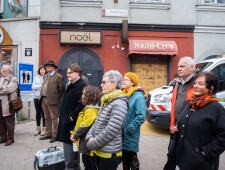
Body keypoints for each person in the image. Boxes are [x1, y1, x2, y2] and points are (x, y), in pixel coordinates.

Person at [174, 72, 225, 170]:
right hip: (184, 160)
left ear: (211, 88)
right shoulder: (190, 103)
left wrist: (206, 152)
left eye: (200, 84)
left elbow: (223, 136)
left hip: (203, 163)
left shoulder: (216, 108)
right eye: (195, 83)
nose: (195, 86)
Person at [86, 70, 128, 170]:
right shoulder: (107, 99)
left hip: (109, 154)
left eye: (104, 82)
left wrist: (92, 143)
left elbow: (111, 130)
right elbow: (97, 122)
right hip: (100, 150)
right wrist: (89, 135)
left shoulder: (119, 103)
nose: (101, 85)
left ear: (114, 84)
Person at [164, 56, 195, 170]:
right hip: (175, 127)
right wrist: (172, 124)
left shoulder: (198, 83)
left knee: (186, 159)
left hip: (189, 130)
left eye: (182, 66)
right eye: (178, 66)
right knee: (171, 156)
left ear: (192, 68)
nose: (179, 69)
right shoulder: (178, 83)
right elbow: (174, 106)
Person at [56, 62, 87, 170]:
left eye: (70, 72)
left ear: (77, 73)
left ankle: (71, 168)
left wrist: (71, 117)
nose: (67, 74)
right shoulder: (71, 84)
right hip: (67, 121)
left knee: (69, 153)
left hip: (72, 123)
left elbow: (81, 104)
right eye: (67, 72)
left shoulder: (82, 85)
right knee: (73, 150)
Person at [70, 85, 101, 170]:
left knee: (89, 165)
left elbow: (84, 126)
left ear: (90, 97)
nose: (82, 96)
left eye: (84, 94)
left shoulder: (90, 111)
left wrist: (75, 135)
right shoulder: (89, 109)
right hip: (86, 144)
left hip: (88, 145)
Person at [121, 72, 146, 170]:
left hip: (130, 134)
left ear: (132, 82)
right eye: (123, 79)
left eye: (126, 79)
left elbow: (141, 116)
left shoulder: (138, 96)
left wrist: (129, 129)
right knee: (125, 159)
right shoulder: (124, 94)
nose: (123, 81)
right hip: (122, 134)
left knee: (132, 158)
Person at [39, 60, 65, 143]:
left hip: (52, 100)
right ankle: (48, 133)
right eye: (46, 66)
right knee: (46, 117)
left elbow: (62, 89)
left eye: (49, 66)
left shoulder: (58, 76)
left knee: (54, 118)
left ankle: (55, 135)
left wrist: (57, 99)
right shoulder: (45, 76)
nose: (46, 67)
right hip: (44, 99)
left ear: (53, 68)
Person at [0, 65, 18, 146]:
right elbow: (3, 89)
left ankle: (10, 138)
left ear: (9, 71)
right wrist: (2, 88)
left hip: (8, 103)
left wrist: (3, 88)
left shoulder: (13, 79)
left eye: (4, 71)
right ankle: (3, 137)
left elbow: (8, 89)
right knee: (1, 121)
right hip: (0, 102)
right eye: (2, 70)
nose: (2, 71)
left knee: (9, 121)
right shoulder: (1, 79)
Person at [32, 66, 47, 136]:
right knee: (38, 112)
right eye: (41, 70)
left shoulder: (47, 77)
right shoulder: (36, 77)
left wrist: (37, 86)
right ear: (39, 71)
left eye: (43, 70)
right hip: (36, 97)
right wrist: (40, 85)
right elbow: (32, 87)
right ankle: (38, 128)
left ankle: (44, 128)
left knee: (44, 112)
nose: (42, 71)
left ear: (45, 71)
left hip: (44, 97)